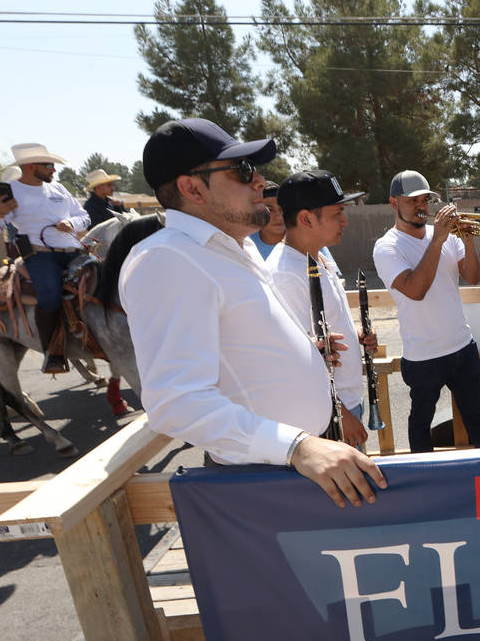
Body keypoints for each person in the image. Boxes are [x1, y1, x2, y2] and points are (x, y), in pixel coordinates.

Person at [118, 117, 385, 508]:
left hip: (290, 467)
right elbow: (176, 403)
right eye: (242, 172)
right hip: (264, 477)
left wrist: (307, 352)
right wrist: (298, 448)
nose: (260, 181)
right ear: (191, 187)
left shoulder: (226, 249)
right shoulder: (167, 259)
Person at [372, 170, 480, 453]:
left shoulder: (446, 235)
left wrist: (468, 241)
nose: (421, 206)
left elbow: (473, 278)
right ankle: (423, 481)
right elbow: (416, 290)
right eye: (412, 200)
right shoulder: (387, 247)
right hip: (423, 355)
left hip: (463, 347)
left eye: (425, 200)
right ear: (394, 203)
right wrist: (438, 240)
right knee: (420, 423)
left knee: (476, 416)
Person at [267, 170, 372, 450]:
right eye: (337, 212)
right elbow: (298, 363)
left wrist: (353, 334)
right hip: (330, 417)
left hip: (343, 405)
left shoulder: (317, 257)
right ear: (306, 219)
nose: (345, 220)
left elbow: (320, 333)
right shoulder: (286, 274)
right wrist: (341, 413)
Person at [0, 143, 92, 373]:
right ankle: (53, 351)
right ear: (31, 166)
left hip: (75, 251)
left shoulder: (59, 189)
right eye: (49, 165)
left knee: (109, 281)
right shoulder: (9, 191)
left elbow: (84, 217)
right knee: (50, 297)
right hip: (41, 257)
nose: (54, 170)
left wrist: (71, 223)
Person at [249, 181, 286, 260]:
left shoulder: (304, 242)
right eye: (269, 210)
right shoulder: (245, 244)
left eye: (282, 208)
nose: (279, 216)